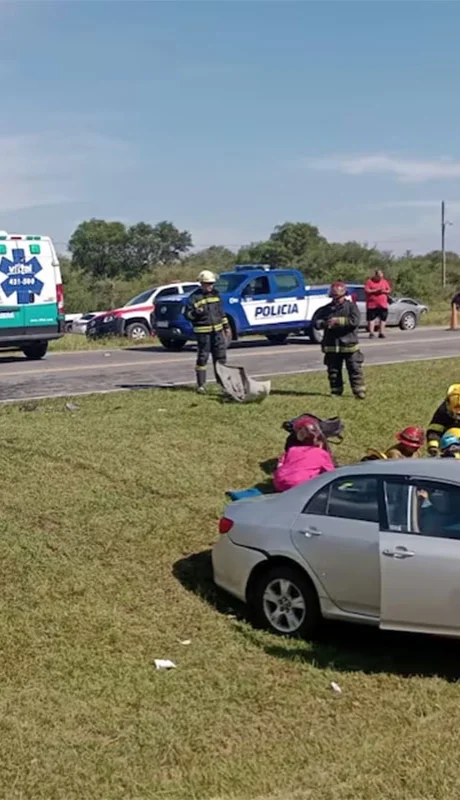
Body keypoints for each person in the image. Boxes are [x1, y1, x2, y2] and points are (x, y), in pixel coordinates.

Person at [314, 281, 365, 399]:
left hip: (349, 345)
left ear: (344, 295)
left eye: (338, 297)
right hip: (331, 345)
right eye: (333, 297)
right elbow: (316, 323)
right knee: (333, 371)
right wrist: (326, 323)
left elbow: (355, 321)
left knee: (354, 368)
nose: (336, 300)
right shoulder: (325, 309)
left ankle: (359, 391)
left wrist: (338, 321)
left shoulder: (352, 307)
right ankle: (336, 391)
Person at [185, 270, 231, 394]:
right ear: (201, 283)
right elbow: (187, 315)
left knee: (220, 358)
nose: (210, 286)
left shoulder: (216, 295)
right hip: (203, 333)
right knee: (203, 358)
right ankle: (201, 385)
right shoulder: (194, 297)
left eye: (211, 283)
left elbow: (221, 312)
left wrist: (226, 327)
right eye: (207, 283)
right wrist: (195, 313)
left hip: (217, 331)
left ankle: (223, 386)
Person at [273, 415, 335, 492]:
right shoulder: (321, 454)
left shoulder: (292, 450)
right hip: (300, 486)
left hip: (279, 483)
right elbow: (331, 474)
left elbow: (280, 464)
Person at [427, 384, 460, 456]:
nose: (459, 412)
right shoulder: (443, 411)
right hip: (449, 440)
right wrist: (433, 445)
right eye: (457, 407)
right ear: (448, 403)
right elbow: (435, 428)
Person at [364, 269, 391, 339]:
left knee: (383, 319)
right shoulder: (369, 282)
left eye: (381, 276)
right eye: (379, 276)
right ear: (375, 275)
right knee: (371, 319)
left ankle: (381, 333)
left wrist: (384, 291)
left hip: (383, 304)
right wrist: (375, 290)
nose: (380, 278)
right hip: (372, 304)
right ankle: (371, 333)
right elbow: (367, 290)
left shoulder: (384, 281)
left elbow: (389, 290)